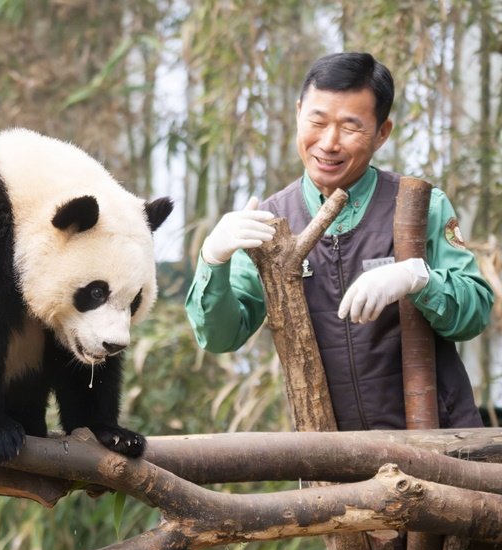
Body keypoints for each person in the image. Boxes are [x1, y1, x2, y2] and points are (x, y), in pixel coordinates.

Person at [185, 51, 495, 431]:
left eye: (350, 127)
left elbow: (475, 312)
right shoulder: (269, 222)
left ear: (383, 132)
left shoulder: (420, 204)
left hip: (438, 439)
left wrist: (419, 279)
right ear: (299, 112)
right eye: (317, 121)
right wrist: (213, 259)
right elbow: (219, 338)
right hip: (332, 456)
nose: (329, 143)